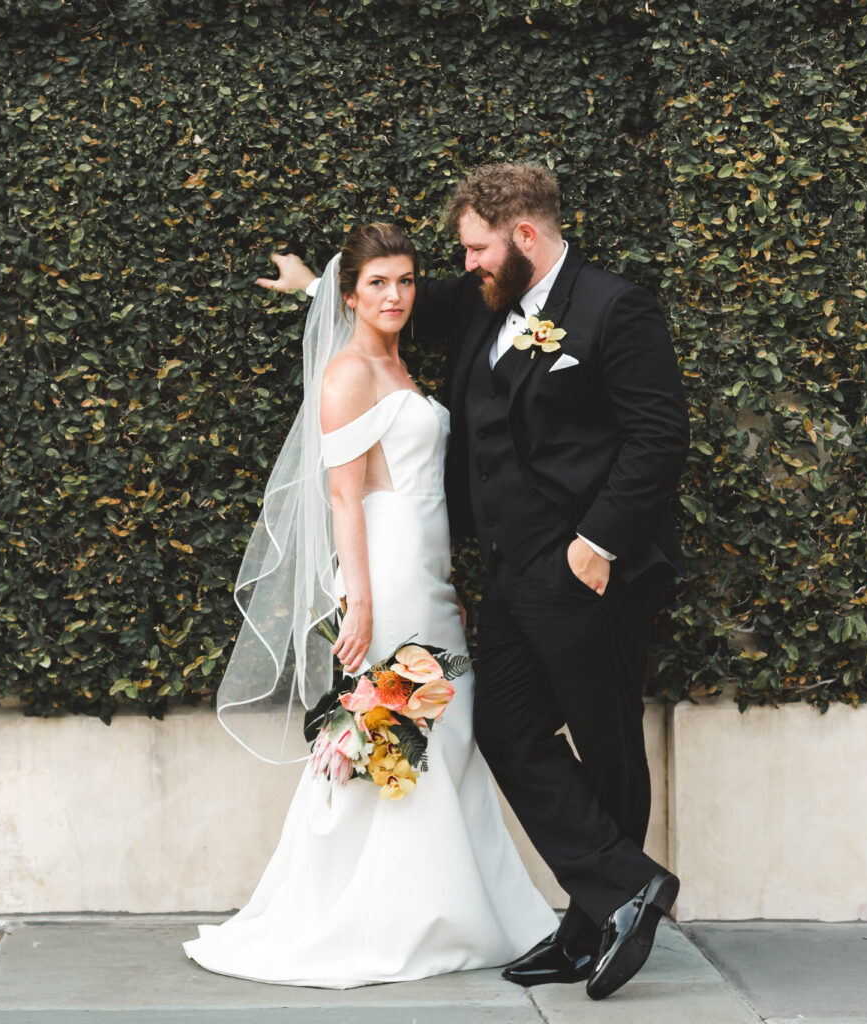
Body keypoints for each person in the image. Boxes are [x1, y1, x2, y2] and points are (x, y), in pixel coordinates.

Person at [256, 164, 689, 1001]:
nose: (467, 266)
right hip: (506, 580)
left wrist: (598, 543)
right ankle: (619, 892)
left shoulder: (613, 307)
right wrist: (316, 286)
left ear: (523, 237)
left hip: (587, 574)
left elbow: (659, 437)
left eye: (476, 249)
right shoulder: (486, 301)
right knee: (508, 733)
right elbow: (378, 303)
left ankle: (591, 922)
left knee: (605, 746)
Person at [183, 223, 557, 987]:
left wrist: (312, 287)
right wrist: (359, 604)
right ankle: (388, 917)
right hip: (388, 571)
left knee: (439, 728)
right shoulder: (349, 372)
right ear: (349, 294)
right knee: (395, 725)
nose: (395, 295)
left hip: (430, 567)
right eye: (377, 283)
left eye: (407, 280)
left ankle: (451, 907)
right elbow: (343, 499)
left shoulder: (399, 362)